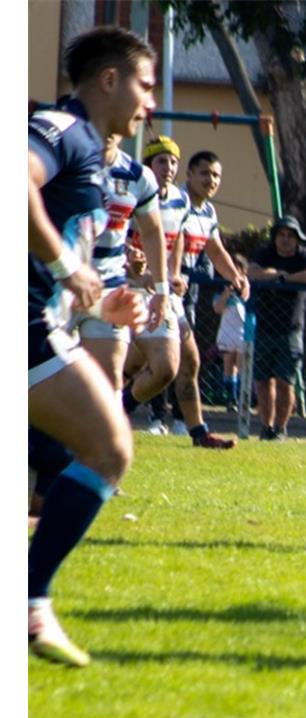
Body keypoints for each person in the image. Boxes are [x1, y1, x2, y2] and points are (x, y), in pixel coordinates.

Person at [28, 25, 156, 666]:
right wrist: (62, 264)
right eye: (144, 84)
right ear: (109, 80)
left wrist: (100, 299)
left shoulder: (93, 150)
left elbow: (65, 258)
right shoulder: (63, 129)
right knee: (107, 448)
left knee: (77, 459)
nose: (149, 102)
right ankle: (28, 605)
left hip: (41, 325)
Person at [145, 148, 247, 447]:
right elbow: (172, 240)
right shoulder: (178, 201)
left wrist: (235, 276)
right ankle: (147, 417)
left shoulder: (208, 211)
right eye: (204, 173)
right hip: (156, 289)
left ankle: (192, 429)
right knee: (155, 363)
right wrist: (171, 275)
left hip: (176, 291)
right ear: (189, 175)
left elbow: (214, 249)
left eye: (216, 175)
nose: (211, 180)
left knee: (186, 362)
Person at [74, 134, 168, 390]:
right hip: (57, 290)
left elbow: (151, 230)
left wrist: (161, 289)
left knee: (108, 384)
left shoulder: (138, 175)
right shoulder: (60, 161)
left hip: (109, 292)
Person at [121, 135, 189, 434]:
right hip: (118, 289)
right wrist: (132, 265)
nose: (169, 167)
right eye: (162, 160)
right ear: (149, 164)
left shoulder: (180, 199)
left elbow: (174, 239)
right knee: (108, 366)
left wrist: (172, 275)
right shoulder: (128, 191)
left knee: (166, 368)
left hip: (156, 292)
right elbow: (112, 236)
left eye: (174, 161)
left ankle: (120, 408)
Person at [247, 214, 306, 440]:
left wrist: (287, 279)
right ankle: (266, 427)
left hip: (291, 330)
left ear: (298, 239)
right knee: (262, 380)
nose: (286, 240)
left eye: (291, 236)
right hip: (264, 328)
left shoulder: (304, 255)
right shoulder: (264, 253)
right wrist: (276, 274)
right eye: (282, 235)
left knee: (284, 382)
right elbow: (251, 272)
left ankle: (280, 428)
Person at [212, 253, 248, 412]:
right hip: (227, 329)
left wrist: (242, 285)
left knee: (241, 365)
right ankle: (230, 399)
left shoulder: (246, 287)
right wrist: (227, 294)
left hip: (242, 330)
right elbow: (217, 308)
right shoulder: (221, 290)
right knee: (228, 364)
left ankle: (243, 399)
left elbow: (246, 298)